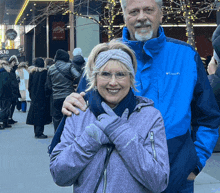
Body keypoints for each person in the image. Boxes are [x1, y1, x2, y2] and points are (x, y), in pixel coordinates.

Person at [61, 0, 220, 193]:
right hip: (119, 181)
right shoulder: (105, 57)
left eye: (148, 10)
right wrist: (71, 102)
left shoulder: (185, 56)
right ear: (125, 16)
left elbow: (208, 116)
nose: (141, 17)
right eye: (134, 11)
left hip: (176, 179)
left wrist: (194, 163)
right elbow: (83, 106)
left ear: (161, 14)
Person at [50, 40, 169, 193]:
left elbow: (158, 181)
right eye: (105, 74)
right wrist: (90, 139)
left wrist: (120, 132)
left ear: (131, 78)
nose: (113, 82)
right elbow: (59, 175)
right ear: (95, 78)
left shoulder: (150, 117)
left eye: (121, 74)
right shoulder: (79, 111)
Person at [45, 49, 82, 132]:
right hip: (68, 95)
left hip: (56, 97)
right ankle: (68, 135)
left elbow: (48, 85)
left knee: (57, 117)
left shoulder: (51, 69)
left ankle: (57, 135)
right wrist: (74, 83)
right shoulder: (69, 66)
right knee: (69, 116)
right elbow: (78, 76)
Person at [26, 57, 51, 138]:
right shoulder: (45, 73)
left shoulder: (32, 73)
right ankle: (39, 132)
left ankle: (36, 131)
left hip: (34, 96)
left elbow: (29, 86)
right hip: (43, 96)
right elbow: (47, 86)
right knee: (41, 114)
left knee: (35, 113)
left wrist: (31, 95)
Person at [0, 59, 13, 129]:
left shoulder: (2, 72)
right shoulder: (4, 73)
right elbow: (6, 84)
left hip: (3, 94)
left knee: (4, 109)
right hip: (5, 94)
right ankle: (3, 122)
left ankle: (5, 123)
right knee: (4, 109)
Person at [8, 55, 21, 124]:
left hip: (14, 88)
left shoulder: (13, 70)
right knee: (11, 104)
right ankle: (9, 118)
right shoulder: (10, 70)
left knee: (13, 104)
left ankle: (10, 117)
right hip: (12, 89)